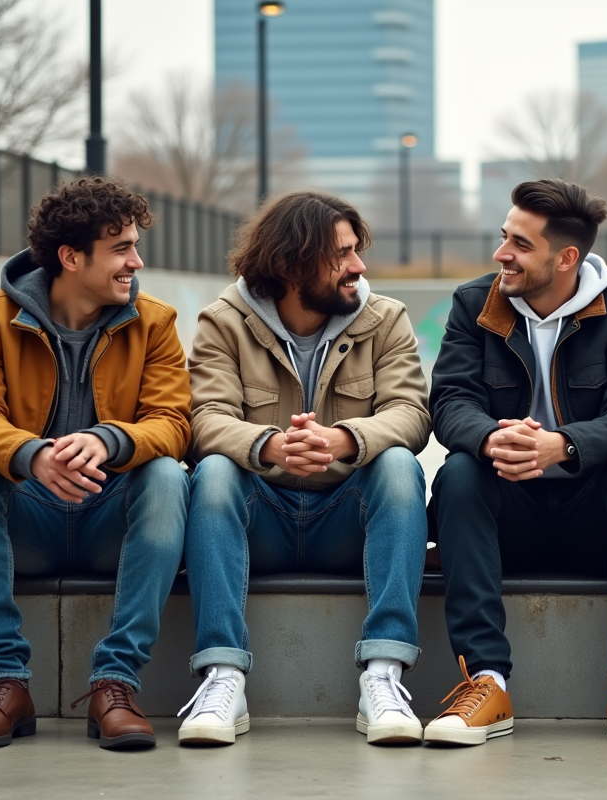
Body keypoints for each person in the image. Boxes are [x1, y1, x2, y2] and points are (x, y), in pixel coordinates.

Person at [0, 178, 192, 750]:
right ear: (71, 258)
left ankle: (115, 683)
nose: (136, 262)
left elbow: (174, 422)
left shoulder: (156, 322)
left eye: (134, 246)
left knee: (169, 475)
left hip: (110, 522)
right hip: (28, 521)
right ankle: (4, 682)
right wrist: (31, 455)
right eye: (121, 248)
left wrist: (110, 440)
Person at [424, 179, 607, 747]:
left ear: (567, 257)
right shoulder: (475, 305)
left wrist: (563, 445)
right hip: (505, 515)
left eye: (519, 244)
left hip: (592, 519)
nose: (502, 254)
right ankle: (485, 682)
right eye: (503, 238)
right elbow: (448, 401)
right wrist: (490, 440)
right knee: (458, 474)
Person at [177, 191, 431, 746]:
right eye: (342, 255)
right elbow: (202, 419)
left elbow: (412, 414)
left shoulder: (385, 319)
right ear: (292, 263)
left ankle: (383, 674)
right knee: (214, 473)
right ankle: (223, 676)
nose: (359, 267)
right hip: (259, 520)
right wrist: (270, 447)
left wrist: (344, 439)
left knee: (398, 466)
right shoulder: (224, 322)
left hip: (347, 521)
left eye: (357, 252)